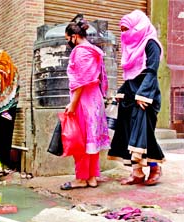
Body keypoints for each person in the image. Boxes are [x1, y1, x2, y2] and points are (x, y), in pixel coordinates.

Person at [108, 10, 165, 185]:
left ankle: (155, 167)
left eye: (127, 29)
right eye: (122, 30)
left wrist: (144, 95)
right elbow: (129, 74)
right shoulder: (129, 46)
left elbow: (151, 70)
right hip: (131, 95)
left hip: (146, 96)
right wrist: (121, 92)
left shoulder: (150, 43)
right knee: (127, 133)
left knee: (145, 134)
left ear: (138, 26)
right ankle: (137, 173)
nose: (125, 34)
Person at [60, 15, 110, 190]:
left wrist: (73, 103)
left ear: (74, 36)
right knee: (92, 139)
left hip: (83, 100)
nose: (69, 44)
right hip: (95, 99)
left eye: (68, 40)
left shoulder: (80, 52)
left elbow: (81, 81)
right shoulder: (94, 50)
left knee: (80, 140)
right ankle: (92, 177)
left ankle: (81, 179)